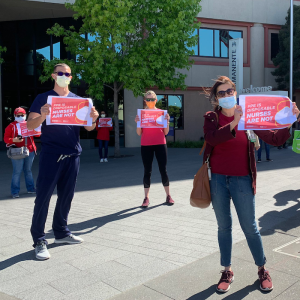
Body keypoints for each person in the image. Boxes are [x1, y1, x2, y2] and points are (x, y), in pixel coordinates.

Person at [203, 76, 299, 293]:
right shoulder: (212, 117)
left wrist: (288, 121)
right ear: (216, 98)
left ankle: (262, 269)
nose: (227, 95)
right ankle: (227, 270)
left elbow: (275, 139)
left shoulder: (249, 113)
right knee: (224, 227)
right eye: (221, 93)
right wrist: (235, 122)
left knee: (250, 227)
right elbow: (212, 139)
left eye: (230, 91)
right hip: (218, 179)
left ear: (235, 92)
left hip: (242, 179)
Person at [27, 63, 99, 260]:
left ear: (71, 77)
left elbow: (90, 129)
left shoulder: (80, 101)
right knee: (43, 197)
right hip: (51, 155)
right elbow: (29, 125)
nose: (64, 76)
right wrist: (43, 115)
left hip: (73, 154)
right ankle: (39, 239)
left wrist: (94, 118)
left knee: (66, 196)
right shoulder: (43, 99)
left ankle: (61, 232)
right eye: (61, 73)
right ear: (53, 75)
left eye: (67, 74)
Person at [135, 90, 174, 208]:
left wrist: (167, 121)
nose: (150, 101)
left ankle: (168, 196)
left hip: (160, 144)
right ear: (145, 101)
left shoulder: (161, 113)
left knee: (163, 170)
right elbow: (138, 133)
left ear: (156, 100)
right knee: (147, 171)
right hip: (146, 145)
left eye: (152, 99)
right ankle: (146, 198)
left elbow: (166, 132)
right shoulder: (142, 114)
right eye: (148, 99)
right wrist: (137, 122)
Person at [4, 107, 37, 198]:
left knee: (28, 171)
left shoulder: (29, 124)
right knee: (17, 172)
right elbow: (6, 139)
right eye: (17, 115)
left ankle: (31, 188)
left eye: (22, 115)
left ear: (25, 115)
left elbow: (37, 134)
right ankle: (15, 191)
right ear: (14, 116)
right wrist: (13, 140)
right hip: (17, 152)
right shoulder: (11, 126)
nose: (20, 117)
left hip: (30, 151)